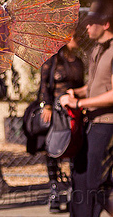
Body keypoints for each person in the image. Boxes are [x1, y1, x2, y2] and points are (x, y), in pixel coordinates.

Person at [60, 3, 113, 217]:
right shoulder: (96, 50)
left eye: (92, 23)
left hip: (107, 123)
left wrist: (80, 104)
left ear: (106, 24)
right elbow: (93, 87)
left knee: (95, 181)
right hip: (90, 122)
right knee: (80, 176)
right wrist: (77, 93)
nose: (88, 26)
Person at [37, 34, 84, 212]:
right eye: (73, 36)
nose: (77, 39)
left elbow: (81, 85)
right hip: (56, 111)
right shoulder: (53, 59)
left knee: (74, 146)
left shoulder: (78, 62)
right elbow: (44, 84)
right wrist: (47, 105)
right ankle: (54, 190)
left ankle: (73, 189)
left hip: (73, 110)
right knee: (53, 149)